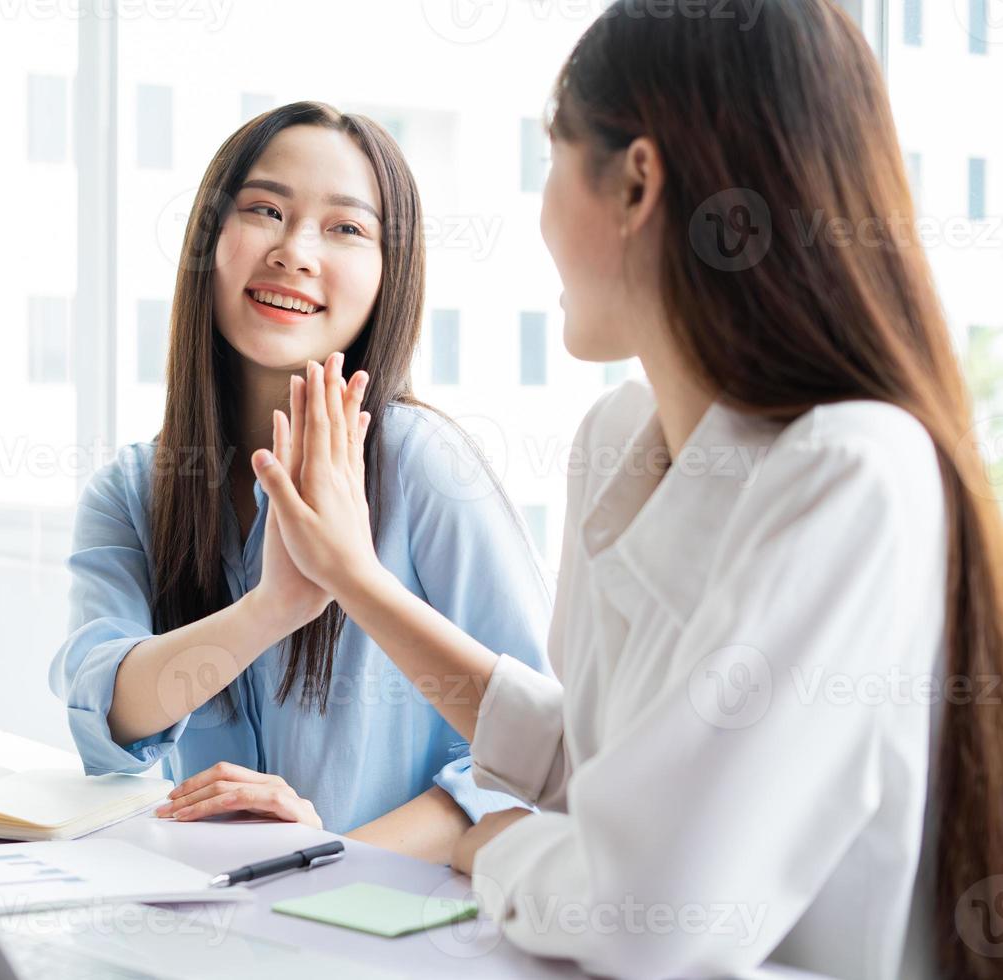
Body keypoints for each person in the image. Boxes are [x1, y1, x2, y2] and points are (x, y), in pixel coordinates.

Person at [248, 2, 1003, 977]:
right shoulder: (616, 439)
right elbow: (595, 766)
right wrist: (351, 575)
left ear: (637, 180)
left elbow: (650, 906)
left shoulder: (855, 471)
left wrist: (493, 844)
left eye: (550, 161)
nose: (540, 213)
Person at [49, 102, 551, 861]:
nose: (295, 250)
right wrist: (275, 606)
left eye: (346, 227)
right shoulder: (135, 488)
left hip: (385, 930)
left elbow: (536, 759)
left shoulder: (424, 465)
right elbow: (107, 713)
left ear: (390, 274)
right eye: (264, 209)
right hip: (222, 918)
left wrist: (321, 859)